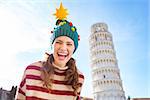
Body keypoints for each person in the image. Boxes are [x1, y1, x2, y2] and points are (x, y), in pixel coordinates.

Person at [16, 2, 84, 100]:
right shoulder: (31, 71)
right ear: (52, 45)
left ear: (74, 49)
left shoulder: (79, 78)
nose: (63, 48)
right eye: (58, 42)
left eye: (69, 44)